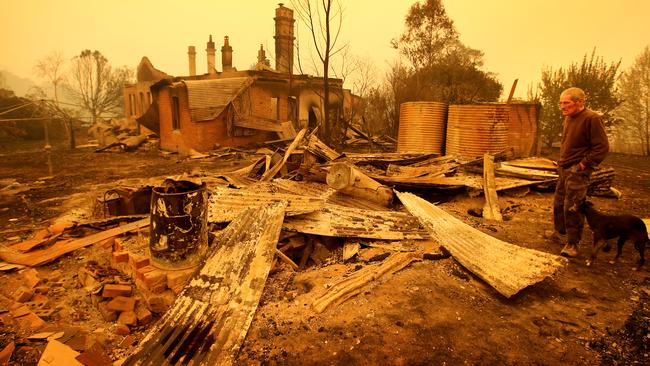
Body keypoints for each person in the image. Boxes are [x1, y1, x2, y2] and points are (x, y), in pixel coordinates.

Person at [551, 87, 609, 257]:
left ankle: (573, 244)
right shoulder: (569, 117)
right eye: (560, 103)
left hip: (577, 172)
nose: (562, 106)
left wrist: (583, 165)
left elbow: (602, 147)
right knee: (559, 203)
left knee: (573, 208)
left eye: (566, 103)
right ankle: (560, 234)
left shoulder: (592, 118)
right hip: (564, 168)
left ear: (580, 102)